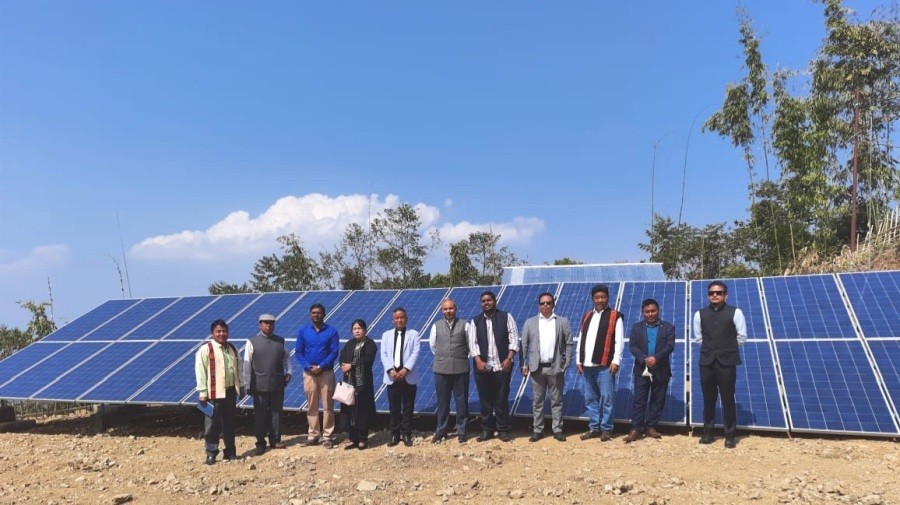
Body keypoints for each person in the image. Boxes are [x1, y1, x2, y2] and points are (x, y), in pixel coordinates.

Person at [693, 280, 747, 449]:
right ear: (708, 295)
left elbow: (742, 337)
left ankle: (730, 435)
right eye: (711, 293)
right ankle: (708, 433)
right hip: (707, 362)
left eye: (719, 292)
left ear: (726, 295)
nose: (715, 295)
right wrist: (712, 349)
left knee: (727, 398)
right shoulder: (699, 314)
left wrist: (726, 349)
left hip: (727, 362)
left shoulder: (736, 312)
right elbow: (699, 338)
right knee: (708, 399)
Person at [520, 292, 573, 442]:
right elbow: (523, 344)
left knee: (557, 400)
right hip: (536, 368)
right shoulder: (530, 322)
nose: (545, 305)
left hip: (555, 367)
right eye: (542, 303)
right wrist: (525, 363)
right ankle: (538, 430)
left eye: (548, 303)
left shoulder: (562, 322)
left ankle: (557, 429)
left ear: (553, 304)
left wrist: (566, 362)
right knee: (537, 401)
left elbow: (569, 343)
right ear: (539, 305)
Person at [468, 290, 519, 442]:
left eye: (489, 300)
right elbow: (473, 343)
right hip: (482, 367)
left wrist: (509, 358)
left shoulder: (506, 317)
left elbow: (514, 338)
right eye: (483, 301)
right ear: (481, 303)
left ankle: (503, 429)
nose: (486, 303)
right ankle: (487, 430)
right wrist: (478, 361)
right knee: (485, 400)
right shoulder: (475, 321)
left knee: (501, 399)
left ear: (495, 301)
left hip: (501, 366)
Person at [575, 284, 624, 442]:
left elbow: (619, 341)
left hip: (605, 365)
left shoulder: (615, 316)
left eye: (603, 297)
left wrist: (616, 360)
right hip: (587, 365)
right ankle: (594, 427)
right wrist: (578, 359)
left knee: (607, 398)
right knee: (590, 398)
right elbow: (581, 338)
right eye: (597, 297)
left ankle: (607, 429)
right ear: (592, 299)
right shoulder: (587, 315)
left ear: (608, 297)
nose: (600, 300)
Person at [623, 299, 676, 443]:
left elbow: (670, 346)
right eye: (647, 312)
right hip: (642, 369)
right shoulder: (636, 327)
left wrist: (656, 358)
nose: (650, 314)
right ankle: (635, 429)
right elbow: (632, 346)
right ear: (643, 312)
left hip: (661, 369)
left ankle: (651, 426)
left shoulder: (668, 328)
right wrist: (644, 359)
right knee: (639, 400)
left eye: (653, 311)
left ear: (658, 311)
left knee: (657, 400)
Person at [195, 319, 243, 464]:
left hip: (230, 392)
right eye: (218, 331)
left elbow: (238, 369)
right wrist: (202, 392)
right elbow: (200, 372)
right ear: (212, 333)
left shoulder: (233, 349)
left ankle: (230, 452)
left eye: (224, 331)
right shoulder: (206, 349)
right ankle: (211, 453)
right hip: (212, 394)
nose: (222, 334)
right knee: (211, 425)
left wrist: (240, 386)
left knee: (229, 423)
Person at [243, 313, 292, 456]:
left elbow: (286, 358)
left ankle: (275, 439)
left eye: (271, 323)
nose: (268, 325)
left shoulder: (280, 341)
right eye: (265, 323)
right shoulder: (252, 342)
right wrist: (247, 384)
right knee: (260, 415)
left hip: (277, 383)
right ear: (260, 325)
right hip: (259, 385)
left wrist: (289, 372)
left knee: (276, 413)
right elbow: (247, 365)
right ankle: (260, 443)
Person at [296, 303, 340, 449]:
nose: (316, 315)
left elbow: (334, 352)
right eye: (313, 312)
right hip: (309, 374)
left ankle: (327, 436)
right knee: (312, 405)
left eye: (319, 313)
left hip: (326, 372)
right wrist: (309, 367)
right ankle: (313, 435)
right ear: (310, 314)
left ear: (324, 314)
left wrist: (320, 366)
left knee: (328, 406)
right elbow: (299, 352)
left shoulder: (332, 331)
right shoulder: (303, 332)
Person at [429, 298, 470, 444]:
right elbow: (433, 346)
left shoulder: (465, 325)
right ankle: (441, 431)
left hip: (461, 369)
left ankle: (462, 431)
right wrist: (445, 357)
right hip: (441, 370)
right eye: (445, 309)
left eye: (451, 308)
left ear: (456, 308)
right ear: (442, 311)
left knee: (461, 401)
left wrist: (458, 357)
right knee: (442, 402)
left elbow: (471, 346)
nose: (448, 311)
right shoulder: (436, 326)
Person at [380, 307, 421, 447]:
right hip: (392, 377)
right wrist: (391, 370)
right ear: (393, 320)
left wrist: (405, 370)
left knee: (408, 406)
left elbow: (415, 353)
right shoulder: (386, 335)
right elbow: (383, 354)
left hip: (408, 376)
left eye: (402, 317)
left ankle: (406, 434)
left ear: (406, 319)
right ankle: (394, 434)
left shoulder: (414, 334)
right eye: (396, 318)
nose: (399, 320)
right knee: (394, 407)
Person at [340, 319, 377, 450]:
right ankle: (353, 438)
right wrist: (344, 366)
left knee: (362, 411)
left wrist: (352, 365)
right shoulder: (349, 344)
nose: (357, 331)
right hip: (349, 382)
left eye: (359, 328)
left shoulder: (370, 344)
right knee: (350, 411)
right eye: (354, 328)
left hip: (363, 384)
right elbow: (342, 357)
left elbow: (368, 360)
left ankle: (362, 438)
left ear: (365, 330)